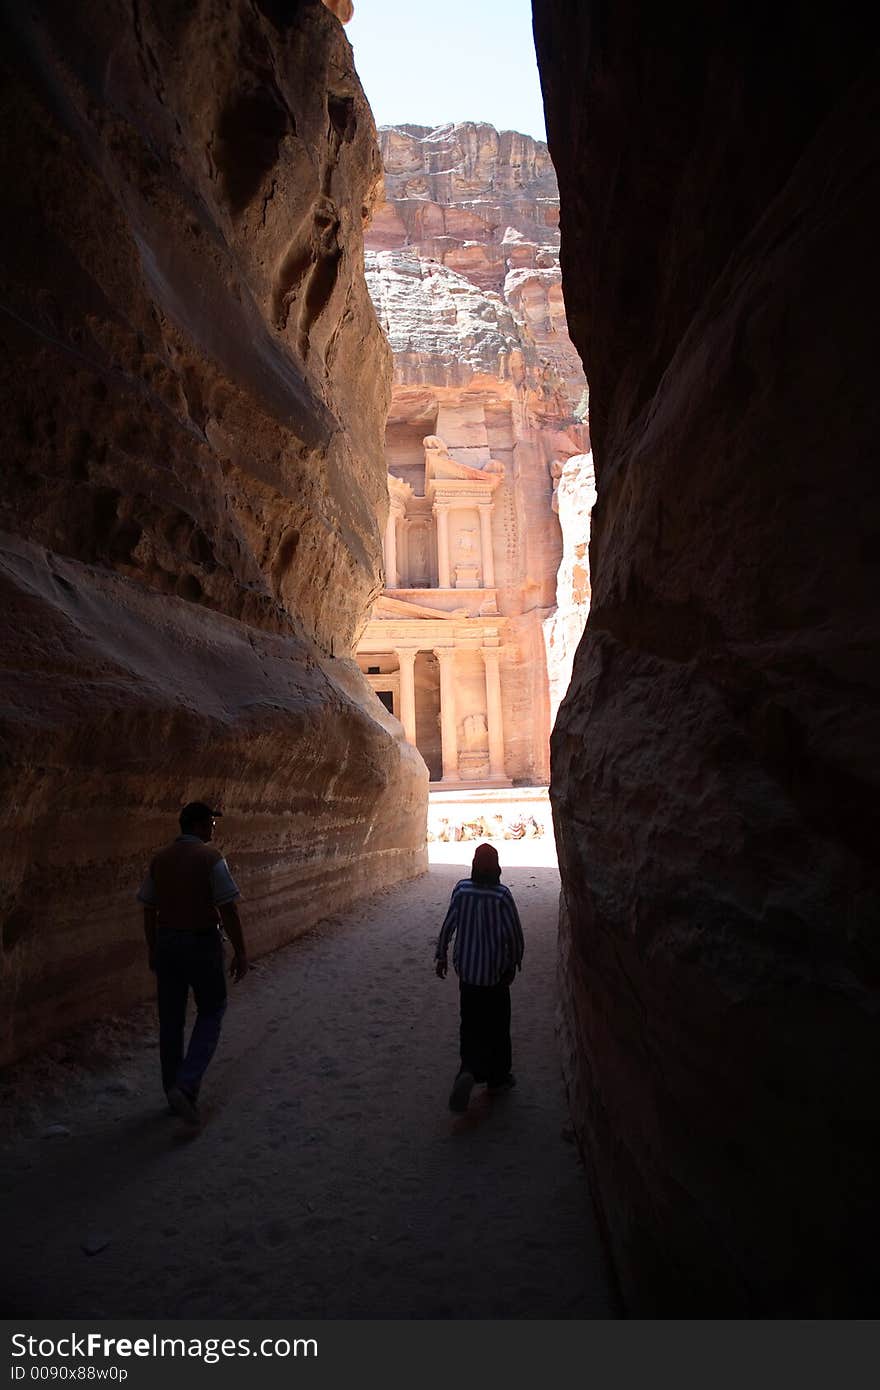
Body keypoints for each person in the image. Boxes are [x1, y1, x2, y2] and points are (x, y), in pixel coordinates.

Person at [137, 801, 248, 1127]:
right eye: (212, 823)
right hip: (201, 942)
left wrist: (152, 948)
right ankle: (186, 1085)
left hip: (168, 943)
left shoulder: (160, 860)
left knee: (170, 1019)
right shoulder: (211, 859)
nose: (215, 828)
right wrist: (241, 951)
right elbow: (228, 907)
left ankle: (172, 1091)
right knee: (212, 1009)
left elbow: (148, 907)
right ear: (199, 825)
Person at [434, 842, 524, 1112]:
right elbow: (514, 934)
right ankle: (497, 1079)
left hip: (469, 976)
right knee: (497, 1027)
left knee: (470, 1025)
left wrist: (441, 955)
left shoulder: (462, 890)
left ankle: (469, 1068)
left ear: (473, 865)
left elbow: (448, 925)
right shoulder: (502, 895)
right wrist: (515, 962)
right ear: (497, 868)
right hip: (495, 977)